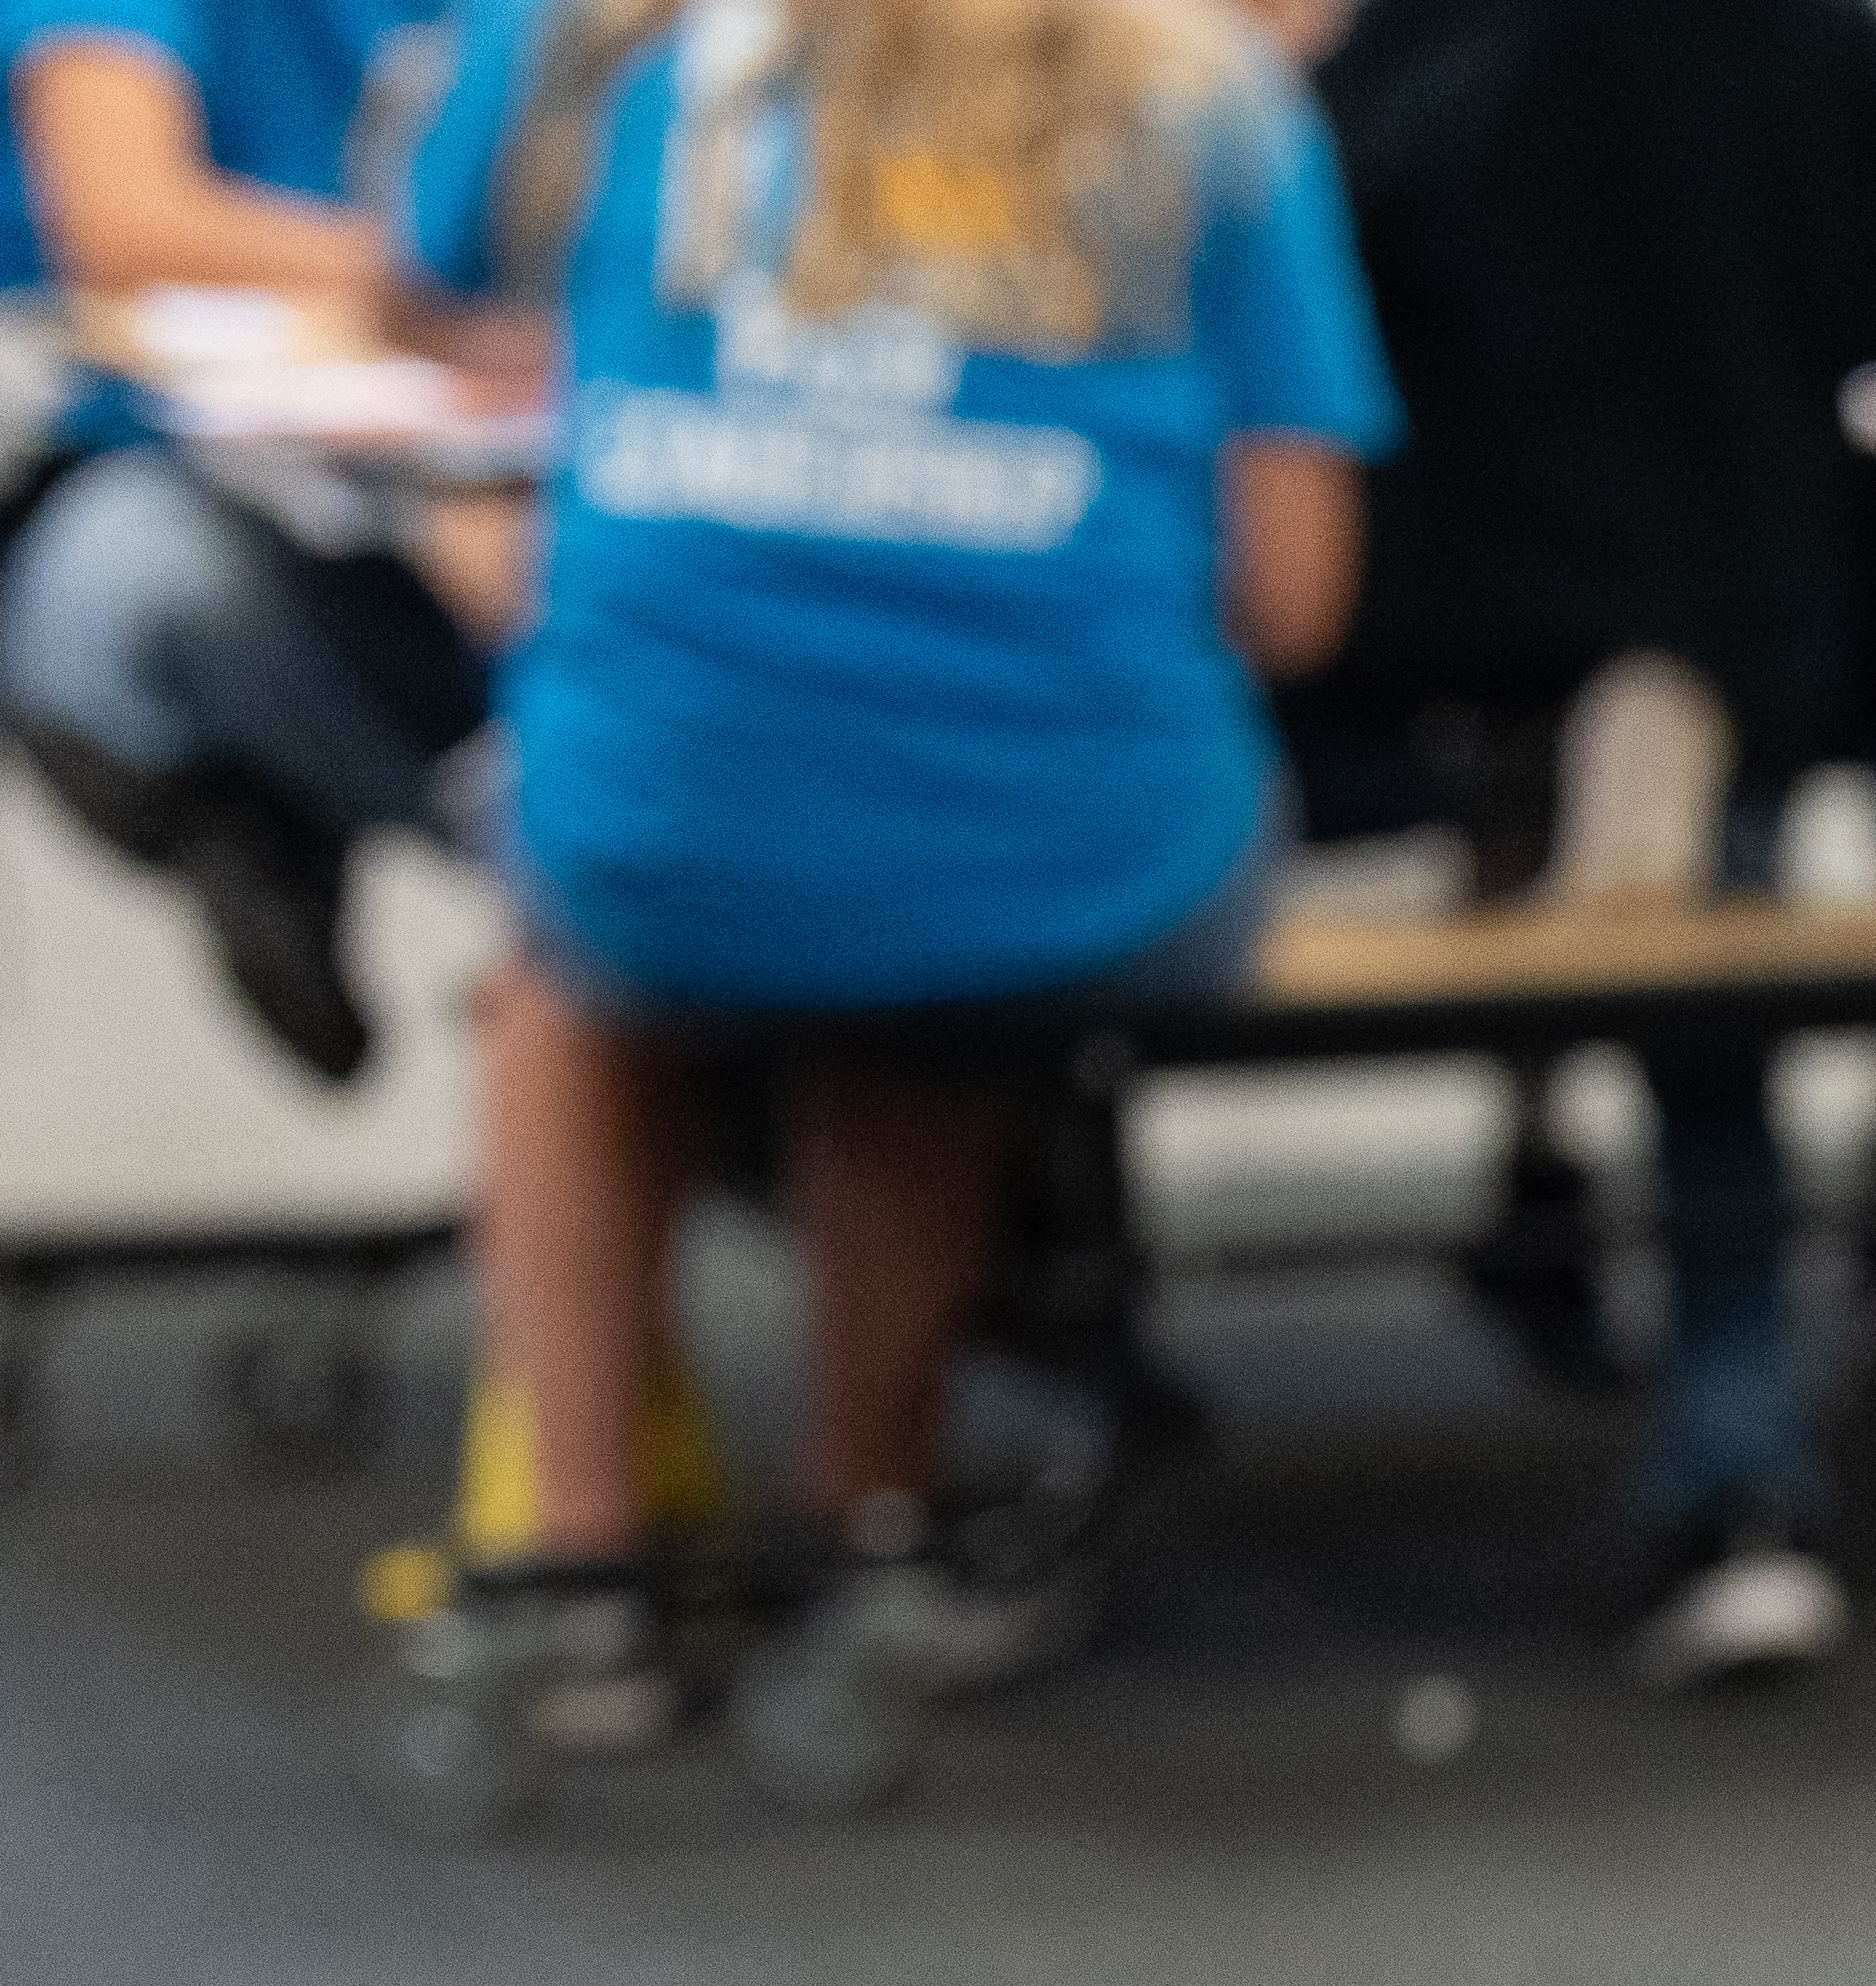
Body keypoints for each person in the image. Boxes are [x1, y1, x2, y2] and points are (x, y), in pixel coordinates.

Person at [398, 0, 1393, 1738]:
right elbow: (1295, 599)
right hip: (1083, 856)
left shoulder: (603, 60)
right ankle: (864, 1521)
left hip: (658, 840)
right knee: (936, 924)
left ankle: (581, 1569)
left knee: (570, 935)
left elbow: (422, 304)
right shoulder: (1212, 105)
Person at [1300, 0, 1876, 1692]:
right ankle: (1739, 1462)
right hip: (1719, 640)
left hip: (1444, 680)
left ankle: (1547, 1242)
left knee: (1668, 980)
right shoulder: (1811, 43)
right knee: (1717, 1043)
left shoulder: (1404, 54)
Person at [0, 0, 491, 1081]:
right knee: (125, 587)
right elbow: (125, 225)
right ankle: (260, 811)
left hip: (533, 498)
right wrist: (441, 294)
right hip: (235, 503)